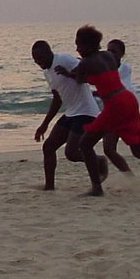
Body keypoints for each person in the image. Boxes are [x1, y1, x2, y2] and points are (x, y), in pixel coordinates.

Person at [57, 25, 140, 200]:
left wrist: (67, 73)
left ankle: (96, 188)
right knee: (139, 148)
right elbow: (102, 74)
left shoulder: (86, 63)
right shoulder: (108, 56)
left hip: (114, 105)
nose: (77, 49)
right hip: (128, 99)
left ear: (87, 46)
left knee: (86, 144)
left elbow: (80, 80)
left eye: (78, 45)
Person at [31, 40, 111, 190]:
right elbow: (57, 99)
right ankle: (49, 186)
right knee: (48, 146)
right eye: (35, 60)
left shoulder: (64, 59)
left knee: (72, 152)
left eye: (40, 58)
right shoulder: (47, 73)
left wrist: (70, 74)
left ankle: (99, 161)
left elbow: (86, 73)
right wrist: (44, 124)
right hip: (72, 112)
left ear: (49, 53)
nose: (38, 62)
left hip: (86, 111)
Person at [101, 39, 135, 175]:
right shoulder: (105, 69)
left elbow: (117, 86)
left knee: (138, 150)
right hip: (112, 113)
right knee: (108, 148)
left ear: (122, 54)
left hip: (127, 113)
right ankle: (129, 175)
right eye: (108, 50)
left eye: (114, 51)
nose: (110, 54)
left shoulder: (124, 68)